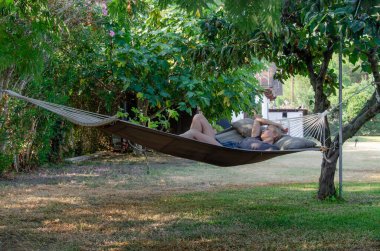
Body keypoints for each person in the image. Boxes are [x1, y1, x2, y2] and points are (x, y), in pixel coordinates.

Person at [180, 113, 287, 150]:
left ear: (275, 135)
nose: (265, 130)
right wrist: (278, 124)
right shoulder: (255, 137)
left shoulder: (271, 148)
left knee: (194, 133)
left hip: (224, 150)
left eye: (268, 129)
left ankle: (175, 141)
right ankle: (189, 148)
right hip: (219, 142)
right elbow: (258, 120)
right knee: (198, 117)